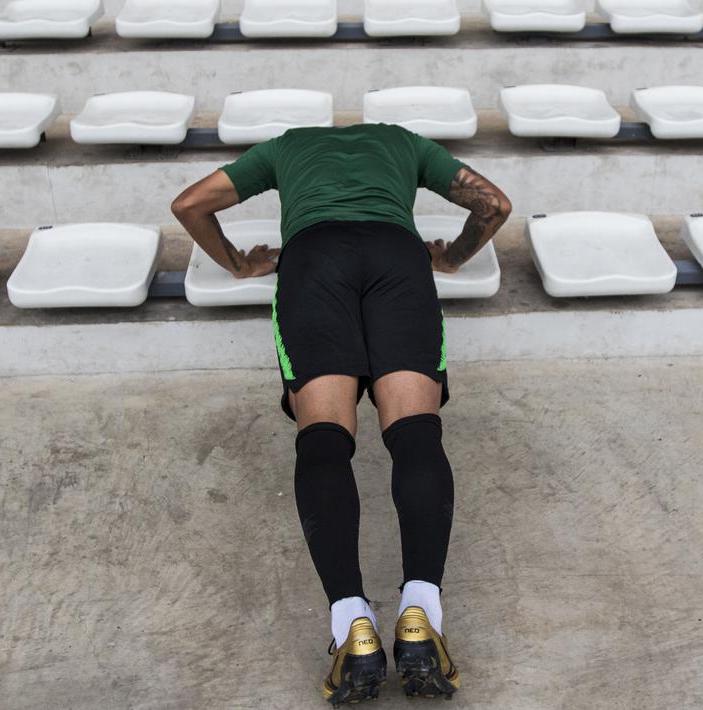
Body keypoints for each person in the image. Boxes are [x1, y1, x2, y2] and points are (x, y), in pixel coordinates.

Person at [171, 122, 511, 705]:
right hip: (397, 260)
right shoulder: (404, 142)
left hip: (313, 262)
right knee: (414, 435)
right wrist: (450, 258)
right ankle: (420, 615)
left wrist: (237, 262)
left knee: (324, 439)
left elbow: (190, 204)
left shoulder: (286, 146)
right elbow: (493, 203)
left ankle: (352, 627)